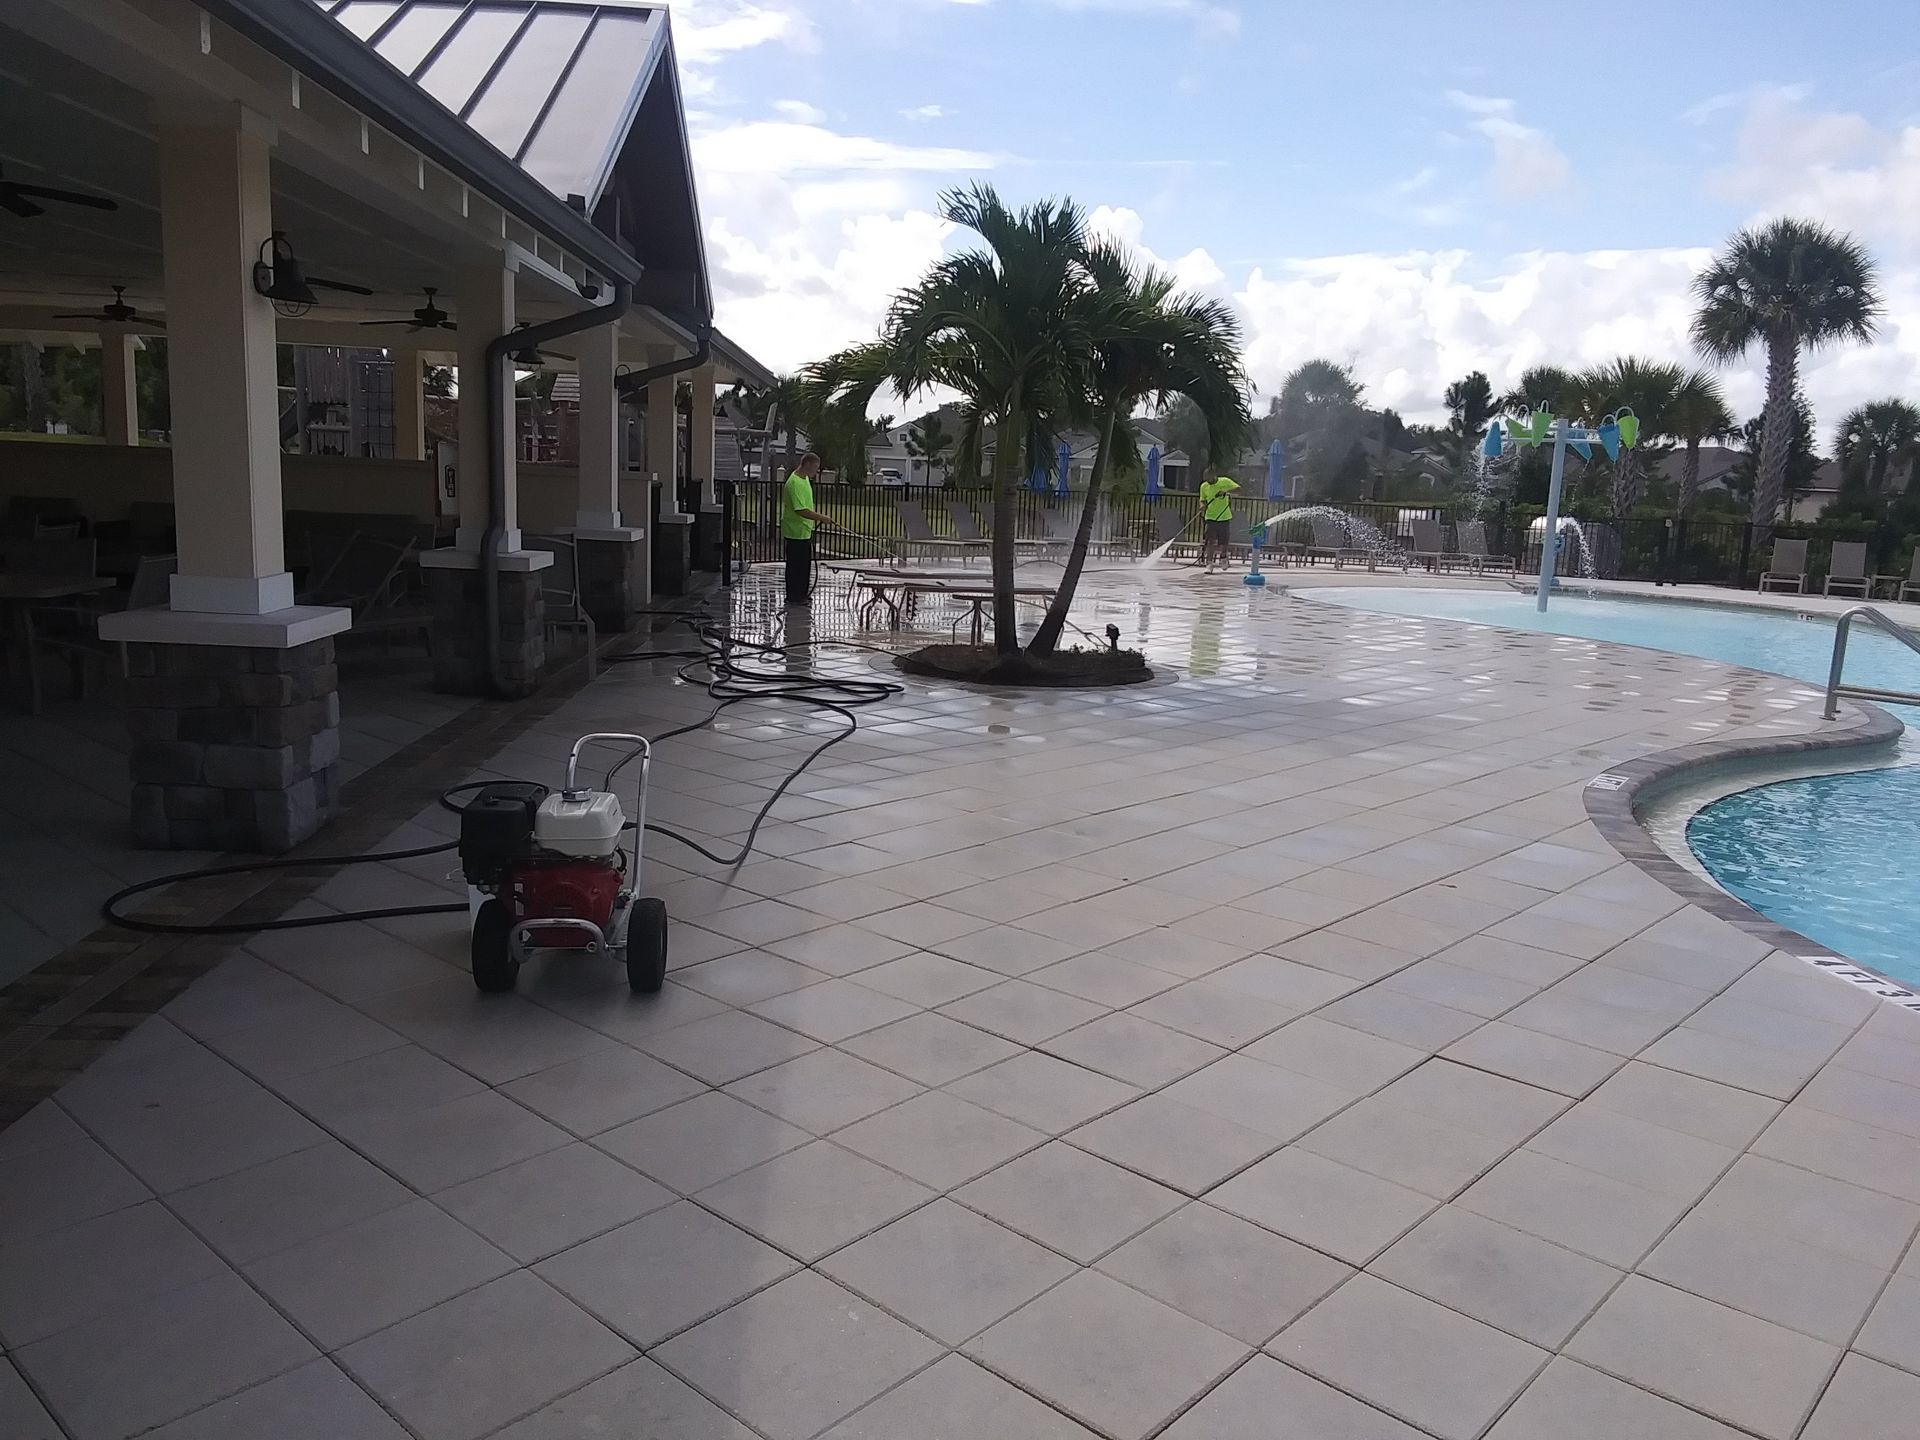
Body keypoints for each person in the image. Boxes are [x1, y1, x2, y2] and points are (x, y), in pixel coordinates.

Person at [781, 453, 829, 606]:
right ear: (807, 464)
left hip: (804, 531)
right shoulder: (794, 483)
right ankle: (793, 596)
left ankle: (802, 594)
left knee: (804, 566)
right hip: (795, 532)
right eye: (815, 467)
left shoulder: (805, 479)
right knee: (795, 566)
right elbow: (800, 509)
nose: (816, 471)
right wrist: (821, 518)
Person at [1199, 473, 1240, 571]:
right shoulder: (1204, 486)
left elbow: (1238, 489)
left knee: (1224, 541)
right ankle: (1209, 564)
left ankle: (1223, 557)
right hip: (1210, 517)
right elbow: (1202, 499)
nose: (1209, 481)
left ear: (1214, 476)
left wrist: (1225, 491)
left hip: (1224, 517)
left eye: (1210, 479)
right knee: (1210, 541)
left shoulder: (1225, 481)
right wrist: (1202, 505)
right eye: (1206, 479)